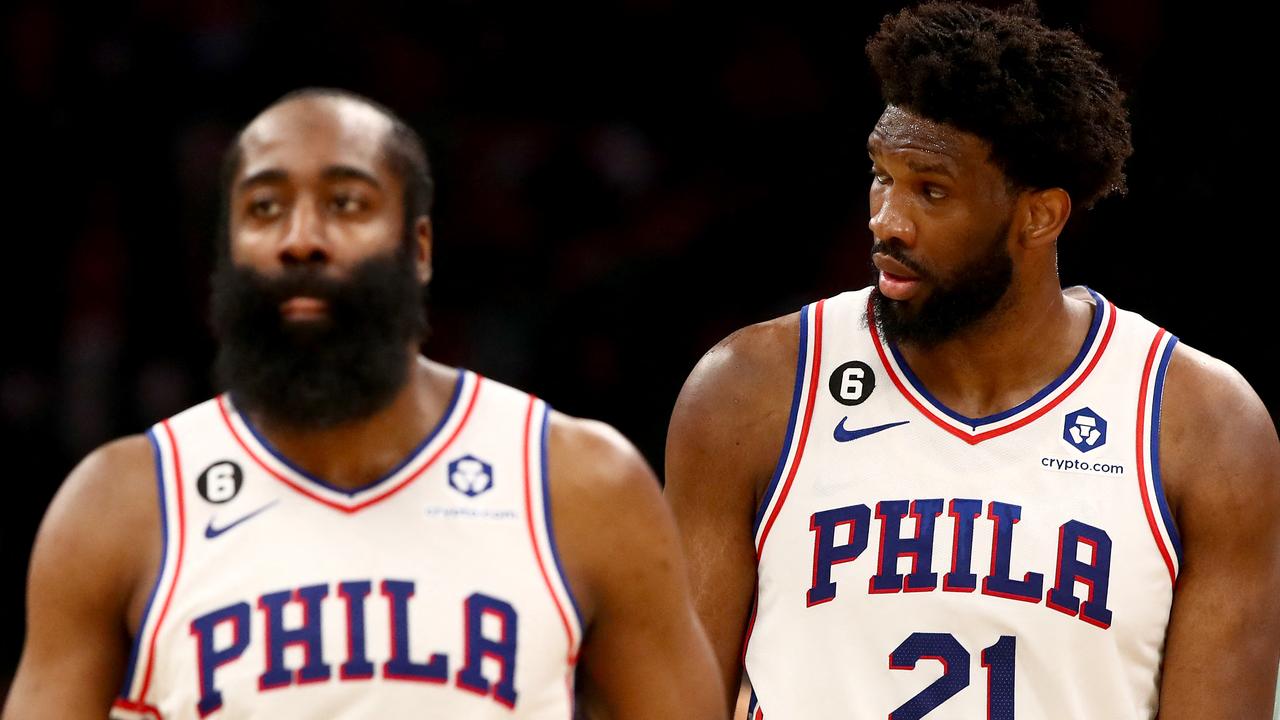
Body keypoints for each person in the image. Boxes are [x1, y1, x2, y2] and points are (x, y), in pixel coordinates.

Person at [5, 89, 724, 720]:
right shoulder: (121, 504)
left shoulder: (580, 483)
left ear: (418, 248)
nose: (302, 238)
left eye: (346, 202)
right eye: (265, 208)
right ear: (228, 254)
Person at [665, 3, 1280, 718]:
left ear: (1040, 215)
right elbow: (672, 699)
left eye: (931, 190)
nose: (887, 221)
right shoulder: (753, 389)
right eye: (880, 176)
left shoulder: (1201, 425)